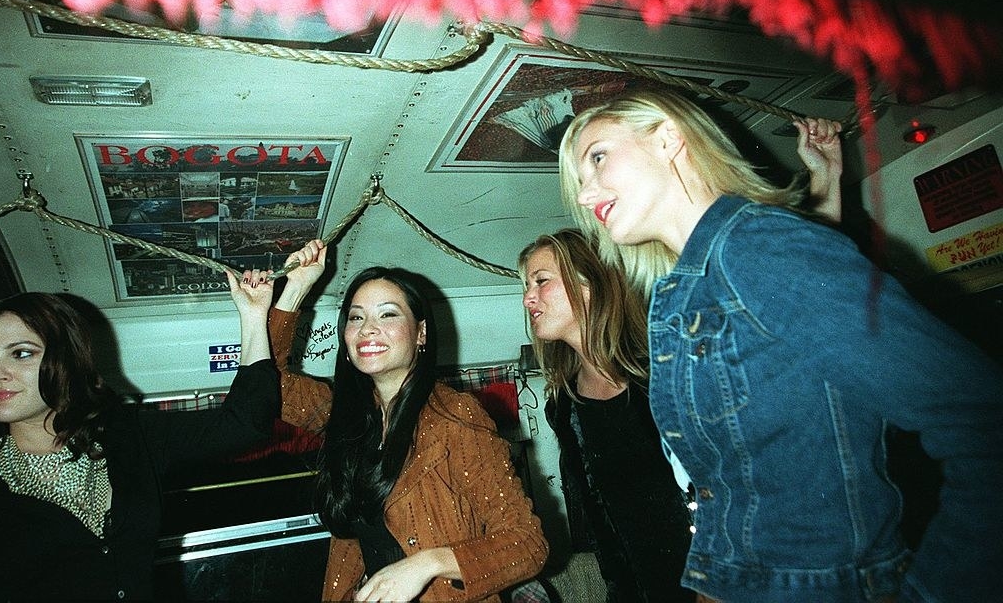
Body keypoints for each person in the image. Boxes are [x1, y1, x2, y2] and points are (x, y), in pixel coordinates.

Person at [556, 88, 1003, 603]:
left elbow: (982, 422)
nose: (587, 196)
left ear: (669, 139)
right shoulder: (683, 290)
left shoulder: (759, 247)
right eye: (581, 182)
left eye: (597, 158)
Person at [266, 239, 548, 602]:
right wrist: (297, 288)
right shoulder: (345, 414)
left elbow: (527, 544)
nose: (368, 328)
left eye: (387, 314)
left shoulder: (456, 417)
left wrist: (428, 564)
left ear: (422, 334)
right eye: (356, 317)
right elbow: (266, 387)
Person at [0, 270, 280, 602]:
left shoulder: (126, 437)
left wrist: (253, 315)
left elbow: (244, 425)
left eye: (20, 353)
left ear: (66, 359)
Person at [519, 228, 696, 603]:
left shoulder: (661, 370)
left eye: (541, 281)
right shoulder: (564, 406)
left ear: (589, 284)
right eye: (526, 286)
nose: (528, 298)